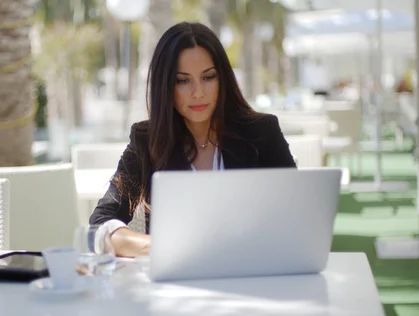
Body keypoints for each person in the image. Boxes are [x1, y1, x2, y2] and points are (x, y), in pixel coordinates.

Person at [89, 22, 296, 258]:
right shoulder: (146, 140)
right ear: (165, 86)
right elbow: (100, 225)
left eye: (208, 77)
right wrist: (157, 246)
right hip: (178, 286)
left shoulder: (262, 132)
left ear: (223, 79)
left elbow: (296, 213)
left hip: (255, 276)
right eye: (182, 81)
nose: (198, 92)